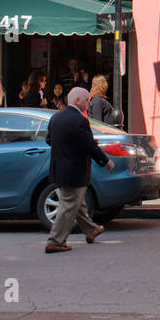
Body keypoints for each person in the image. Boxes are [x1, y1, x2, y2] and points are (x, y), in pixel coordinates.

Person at [44, 87, 115, 252]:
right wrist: (105, 160)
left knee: (78, 202)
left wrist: (67, 147)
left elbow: (50, 140)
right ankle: (55, 241)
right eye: (86, 100)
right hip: (74, 170)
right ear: (77, 101)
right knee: (69, 204)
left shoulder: (56, 117)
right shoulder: (80, 120)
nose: (89, 103)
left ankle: (91, 230)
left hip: (59, 169)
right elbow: (89, 145)